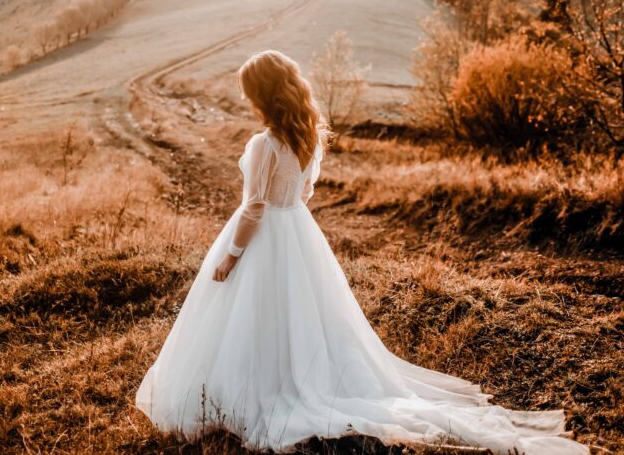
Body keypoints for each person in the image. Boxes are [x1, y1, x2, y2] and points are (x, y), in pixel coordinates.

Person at [136, 50, 588, 454]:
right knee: (302, 315)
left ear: (259, 93)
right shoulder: (307, 134)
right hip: (297, 230)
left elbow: (254, 207)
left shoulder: (263, 143)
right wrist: (287, 212)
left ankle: (245, 392)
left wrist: (232, 256)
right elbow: (306, 191)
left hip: (264, 233)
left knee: (252, 315)